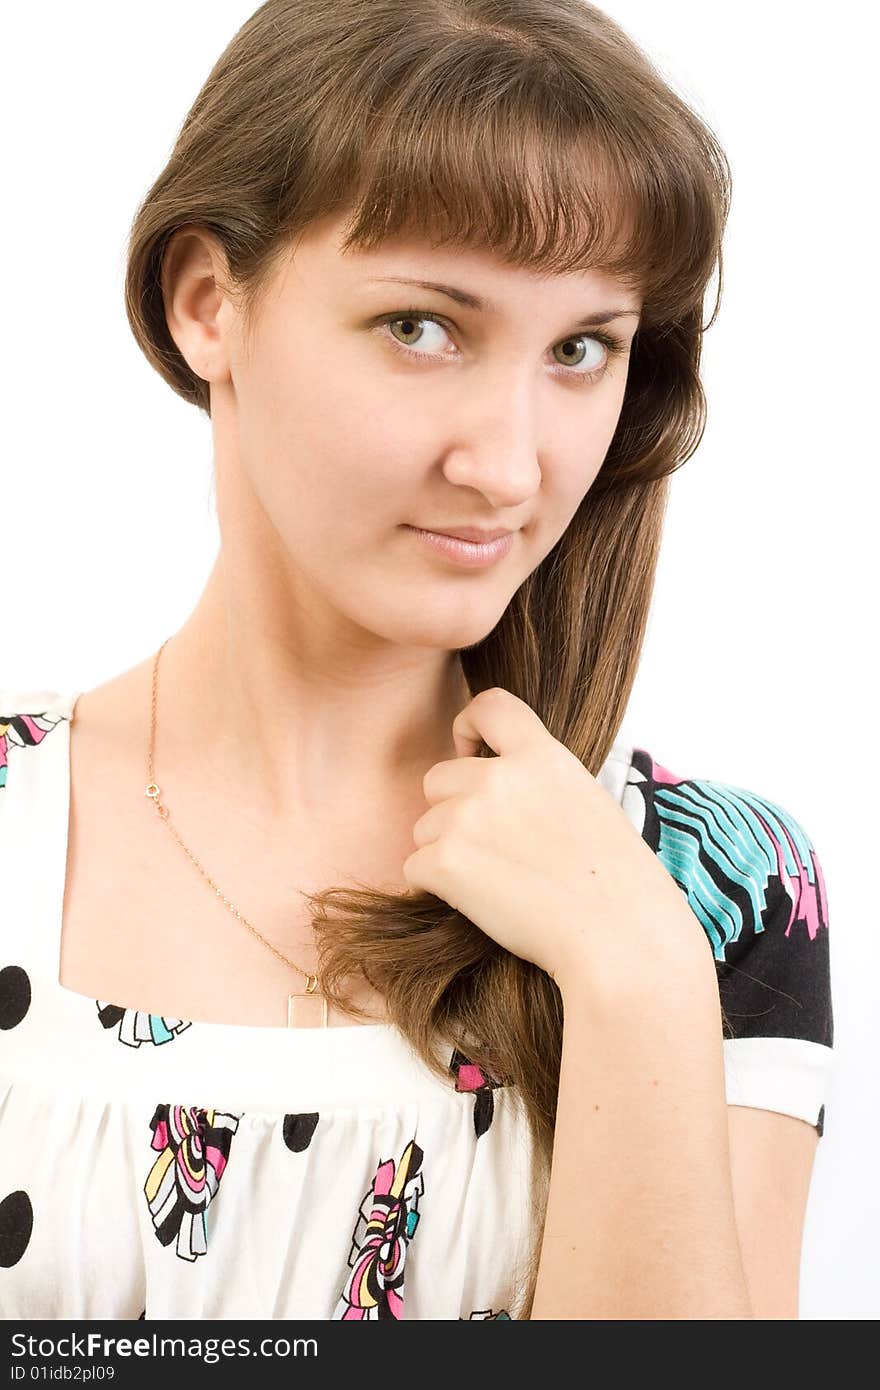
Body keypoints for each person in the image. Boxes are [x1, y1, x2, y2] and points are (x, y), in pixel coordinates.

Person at [0, 0, 833, 1320]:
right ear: (210, 302)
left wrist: (633, 980)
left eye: (581, 348)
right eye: (421, 327)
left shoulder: (710, 886)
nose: (509, 465)